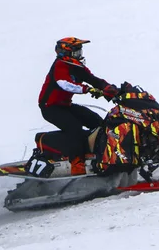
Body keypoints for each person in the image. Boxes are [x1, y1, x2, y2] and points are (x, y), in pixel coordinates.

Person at [38, 37, 119, 175]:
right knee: (74, 128)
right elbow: (64, 83)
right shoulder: (60, 65)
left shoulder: (77, 67)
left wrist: (110, 89)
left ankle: (101, 155)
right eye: (76, 52)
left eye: (79, 51)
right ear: (66, 52)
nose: (79, 54)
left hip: (66, 106)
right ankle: (77, 163)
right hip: (50, 107)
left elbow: (93, 79)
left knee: (98, 122)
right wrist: (86, 89)